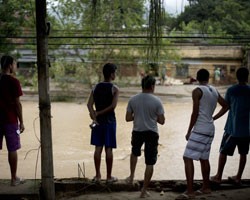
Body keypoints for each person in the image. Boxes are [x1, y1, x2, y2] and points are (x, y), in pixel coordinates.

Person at [176, 69, 227, 199]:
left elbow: (195, 113)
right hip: (210, 128)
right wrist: (213, 118)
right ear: (208, 78)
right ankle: (206, 188)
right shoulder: (214, 90)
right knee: (204, 158)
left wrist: (188, 131)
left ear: (197, 78)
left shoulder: (197, 91)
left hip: (200, 129)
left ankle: (190, 191)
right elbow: (226, 106)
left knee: (187, 158)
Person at [125, 75, 165, 198]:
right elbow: (162, 121)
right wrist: (152, 116)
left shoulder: (133, 99)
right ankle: (143, 191)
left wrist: (137, 116)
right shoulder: (157, 101)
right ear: (152, 86)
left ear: (142, 86)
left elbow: (127, 118)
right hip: (151, 133)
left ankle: (131, 176)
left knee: (134, 153)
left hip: (137, 131)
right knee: (150, 162)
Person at [211, 67, 250, 186]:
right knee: (243, 154)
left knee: (223, 152)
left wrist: (213, 118)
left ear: (237, 77)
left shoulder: (231, 90)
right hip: (246, 130)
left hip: (232, 129)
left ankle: (218, 176)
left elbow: (226, 107)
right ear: (247, 77)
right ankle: (238, 177)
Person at [87, 63, 119, 184]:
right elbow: (112, 107)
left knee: (98, 148)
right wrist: (99, 114)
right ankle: (109, 177)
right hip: (110, 122)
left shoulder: (95, 87)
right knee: (109, 149)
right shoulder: (114, 89)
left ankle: (97, 176)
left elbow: (89, 105)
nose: (115, 75)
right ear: (111, 74)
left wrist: (94, 115)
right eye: (115, 72)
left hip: (98, 123)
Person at [0, 55, 25, 186]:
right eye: (14, 64)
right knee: (12, 149)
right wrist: (22, 121)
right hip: (10, 120)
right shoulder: (14, 82)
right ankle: (13, 178)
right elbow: (17, 104)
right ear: (10, 66)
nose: (15, 66)